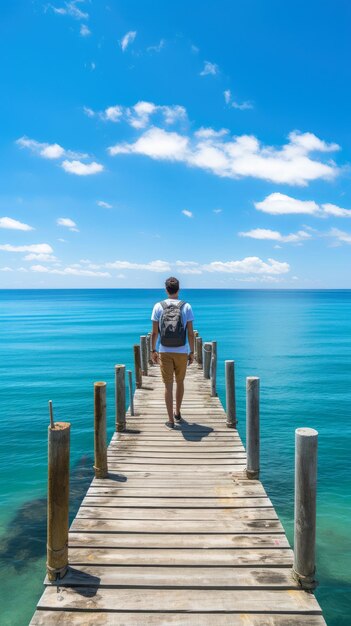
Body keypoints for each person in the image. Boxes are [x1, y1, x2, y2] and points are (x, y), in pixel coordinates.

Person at [151, 277, 195, 429]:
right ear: (178, 289)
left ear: (166, 289)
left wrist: (153, 350)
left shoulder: (158, 306)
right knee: (180, 382)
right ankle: (177, 413)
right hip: (182, 351)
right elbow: (190, 333)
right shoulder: (186, 306)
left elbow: (154, 332)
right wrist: (192, 352)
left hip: (165, 351)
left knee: (168, 386)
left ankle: (170, 420)